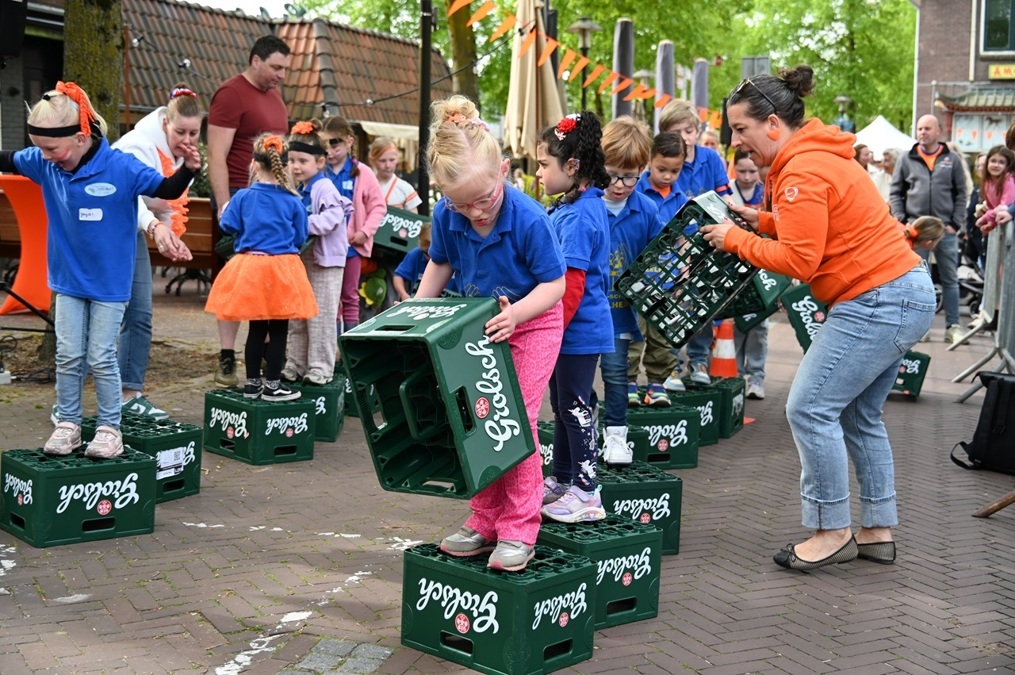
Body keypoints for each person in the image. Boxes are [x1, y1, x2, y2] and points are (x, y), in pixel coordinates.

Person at [701, 65, 935, 571]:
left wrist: (736, 239)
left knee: (808, 408)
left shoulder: (802, 170)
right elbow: (818, 229)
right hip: (901, 291)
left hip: (876, 298)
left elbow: (801, 260)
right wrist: (759, 221)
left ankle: (832, 531)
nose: (737, 142)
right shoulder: (815, 156)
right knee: (857, 414)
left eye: (740, 129)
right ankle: (876, 529)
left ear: (770, 125)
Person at [0, 82, 199, 458]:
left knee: (101, 356)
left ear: (79, 137)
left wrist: (188, 169)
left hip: (109, 283)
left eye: (51, 150)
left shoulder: (120, 166)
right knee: (69, 355)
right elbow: (7, 159)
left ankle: (110, 428)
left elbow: (168, 188)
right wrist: (42, 155)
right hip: (69, 279)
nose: (44, 157)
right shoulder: (45, 163)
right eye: (39, 148)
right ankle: (69, 424)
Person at [417, 95, 565, 572]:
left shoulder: (529, 217)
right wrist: (417, 313)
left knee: (513, 421)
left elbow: (555, 285)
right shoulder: (447, 214)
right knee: (476, 419)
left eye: (484, 199)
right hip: (477, 325)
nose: (476, 212)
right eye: (461, 204)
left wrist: (518, 315)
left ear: (505, 170)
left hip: (532, 324)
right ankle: (484, 520)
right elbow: (439, 264)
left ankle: (519, 529)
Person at [536, 112, 613, 523]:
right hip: (566, 332)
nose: (538, 173)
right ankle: (563, 479)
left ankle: (587, 491)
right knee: (563, 403)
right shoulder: (572, 208)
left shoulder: (582, 215)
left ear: (572, 167)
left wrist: (549, 331)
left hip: (576, 332)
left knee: (575, 407)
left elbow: (573, 285)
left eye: (544, 164)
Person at [109, 85, 200, 421]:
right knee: (102, 317)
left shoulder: (183, 156)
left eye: (194, 132)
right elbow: (127, 196)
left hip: (133, 232)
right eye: (180, 131)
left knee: (141, 313)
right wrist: (154, 227)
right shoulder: (139, 146)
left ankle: (129, 394)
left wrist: (172, 236)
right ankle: (71, 400)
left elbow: (167, 201)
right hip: (106, 229)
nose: (187, 138)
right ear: (165, 124)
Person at [204, 134, 318, 401]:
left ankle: (252, 384)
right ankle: (273, 385)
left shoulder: (243, 197)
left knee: (256, 327)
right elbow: (301, 236)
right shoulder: (293, 200)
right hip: (283, 269)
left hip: (251, 268)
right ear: (286, 165)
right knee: (279, 330)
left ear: (254, 165)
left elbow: (227, 226)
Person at [207, 34, 292, 387]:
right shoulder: (231, 94)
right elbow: (216, 154)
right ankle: (227, 356)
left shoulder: (275, 96)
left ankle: (265, 365)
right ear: (255, 60)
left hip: (273, 202)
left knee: (269, 286)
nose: (282, 75)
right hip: (242, 203)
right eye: (276, 67)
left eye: (285, 68)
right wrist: (225, 204)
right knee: (235, 284)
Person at [597, 116, 664, 464]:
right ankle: (582, 433)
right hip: (584, 310)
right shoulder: (585, 203)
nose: (621, 185)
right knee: (574, 379)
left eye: (631, 176)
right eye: (612, 175)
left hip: (621, 311)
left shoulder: (646, 209)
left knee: (617, 374)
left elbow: (662, 252)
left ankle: (615, 436)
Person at [659, 100, 732, 388]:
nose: (685, 137)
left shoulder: (710, 159)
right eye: (677, 132)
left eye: (689, 130)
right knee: (674, 303)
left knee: (704, 302)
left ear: (698, 130)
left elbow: (725, 197)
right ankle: (672, 362)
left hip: (708, 240)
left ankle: (700, 360)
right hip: (674, 245)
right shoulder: (663, 162)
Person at [281, 121, 353, 386]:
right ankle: (295, 364)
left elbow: (333, 217)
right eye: (291, 160)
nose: (296, 166)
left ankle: (320, 368)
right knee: (298, 314)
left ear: (320, 162)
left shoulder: (323, 187)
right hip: (304, 259)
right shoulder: (299, 188)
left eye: (303, 160)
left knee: (320, 316)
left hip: (326, 262)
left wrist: (302, 225)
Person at [890, 114, 967, 344]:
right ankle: (920, 328)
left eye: (927, 129)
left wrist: (955, 223)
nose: (922, 132)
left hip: (945, 231)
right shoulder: (906, 158)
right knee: (917, 279)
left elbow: (962, 193)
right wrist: (902, 220)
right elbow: (895, 192)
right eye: (920, 128)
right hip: (916, 230)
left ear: (938, 132)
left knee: (950, 279)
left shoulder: (952, 160)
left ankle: (953, 327)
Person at [631, 132, 687, 404]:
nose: (667, 176)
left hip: (668, 283)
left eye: (674, 171)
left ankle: (656, 384)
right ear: (649, 161)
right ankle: (628, 382)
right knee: (632, 335)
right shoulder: (635, 191)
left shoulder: (680, 199)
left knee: (663, 336)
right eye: (661, 169)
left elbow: (686, 238)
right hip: (637, 280)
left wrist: (684, 266)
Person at [320, 116, 387, 334]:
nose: (329, 149)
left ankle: (346, 347)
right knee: (328, 297)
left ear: (349, 141)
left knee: (349, 296)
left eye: (334, 142)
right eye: (324, 144)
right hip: (324, 245)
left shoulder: (363, 172)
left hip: (350, 246)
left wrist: (365, 232)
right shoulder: (320, 170)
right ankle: (330, 348)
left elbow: (378, 207)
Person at [727, 149, 768, 401]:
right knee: (735, 323)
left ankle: (756, 376)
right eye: (742, 170)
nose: (747, 176)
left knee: (759, 325)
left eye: (752, 170)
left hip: (762, 265)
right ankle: (736, 374)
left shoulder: (765, 192)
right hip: (733, 265)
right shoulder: (728, 191)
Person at [369, 137, 421, 213]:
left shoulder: (405, 189)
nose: (388, 165)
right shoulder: (365, 186)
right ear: (372, 160)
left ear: (397, 158)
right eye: (382, 161)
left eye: (392, 160)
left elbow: (413, 220)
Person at [974, 144, 1015, 234]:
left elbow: (1005, 207)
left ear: (1008, 165)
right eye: (993, 161)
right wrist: (991, 223)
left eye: (1001, 162)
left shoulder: (1008, 179)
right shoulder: (987, 181)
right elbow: (992, 207)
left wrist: (986, 218)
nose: (996, 165)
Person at [392, 222, 431, 300]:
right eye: (426, 253)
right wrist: (403, 294)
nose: (429, 258)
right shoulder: (416, 254)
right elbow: (398, 275)